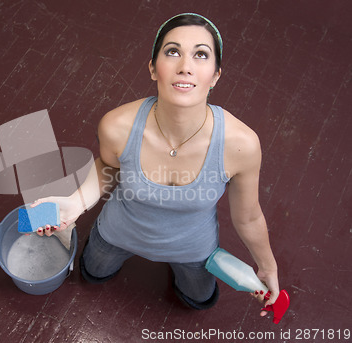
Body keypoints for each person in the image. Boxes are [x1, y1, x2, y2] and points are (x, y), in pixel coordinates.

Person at [32, 13, 280, 315]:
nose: (185, 67)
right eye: (172, 51)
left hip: (193, 250)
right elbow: (108, 167)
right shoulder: (116, 125)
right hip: (117, 233)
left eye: (201, 55)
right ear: (153, 68)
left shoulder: (242, 144)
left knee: (199, 301)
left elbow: (249, 218)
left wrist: (267, 266)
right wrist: (76, 202)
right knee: (93, 274)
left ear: (215, 75)